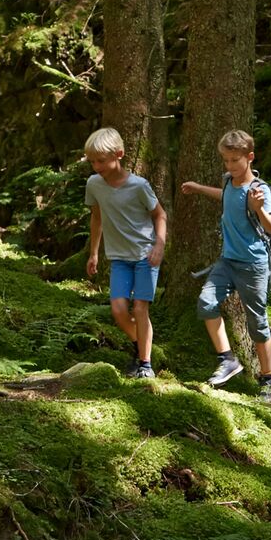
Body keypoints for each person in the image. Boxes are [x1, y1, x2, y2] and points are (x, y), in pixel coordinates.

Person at [182, 130, 271, 403]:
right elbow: (226, 198)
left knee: (257, 323)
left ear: (250, 157)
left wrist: (259, 208)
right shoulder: (228, 182)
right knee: (206, 302)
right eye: (225, 160)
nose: (229, 166)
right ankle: (228, 359)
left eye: (234, 160)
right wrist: (199, 188)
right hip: (227, 261)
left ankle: (268, 378)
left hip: (253, 265)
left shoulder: (258, 190)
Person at [83, 128, 166, 378]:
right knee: (119, 310)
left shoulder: (138, 186)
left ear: (118, 154)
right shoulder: (94, 184)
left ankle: (146, 363)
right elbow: (96, 217)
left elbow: (160, 214)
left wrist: (159, 244)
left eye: (101, 160)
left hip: (145, 255)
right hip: (118, 257)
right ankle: (141, 344)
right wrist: (94, 252)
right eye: (92, 161)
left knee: (140, 309)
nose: (96, 166)